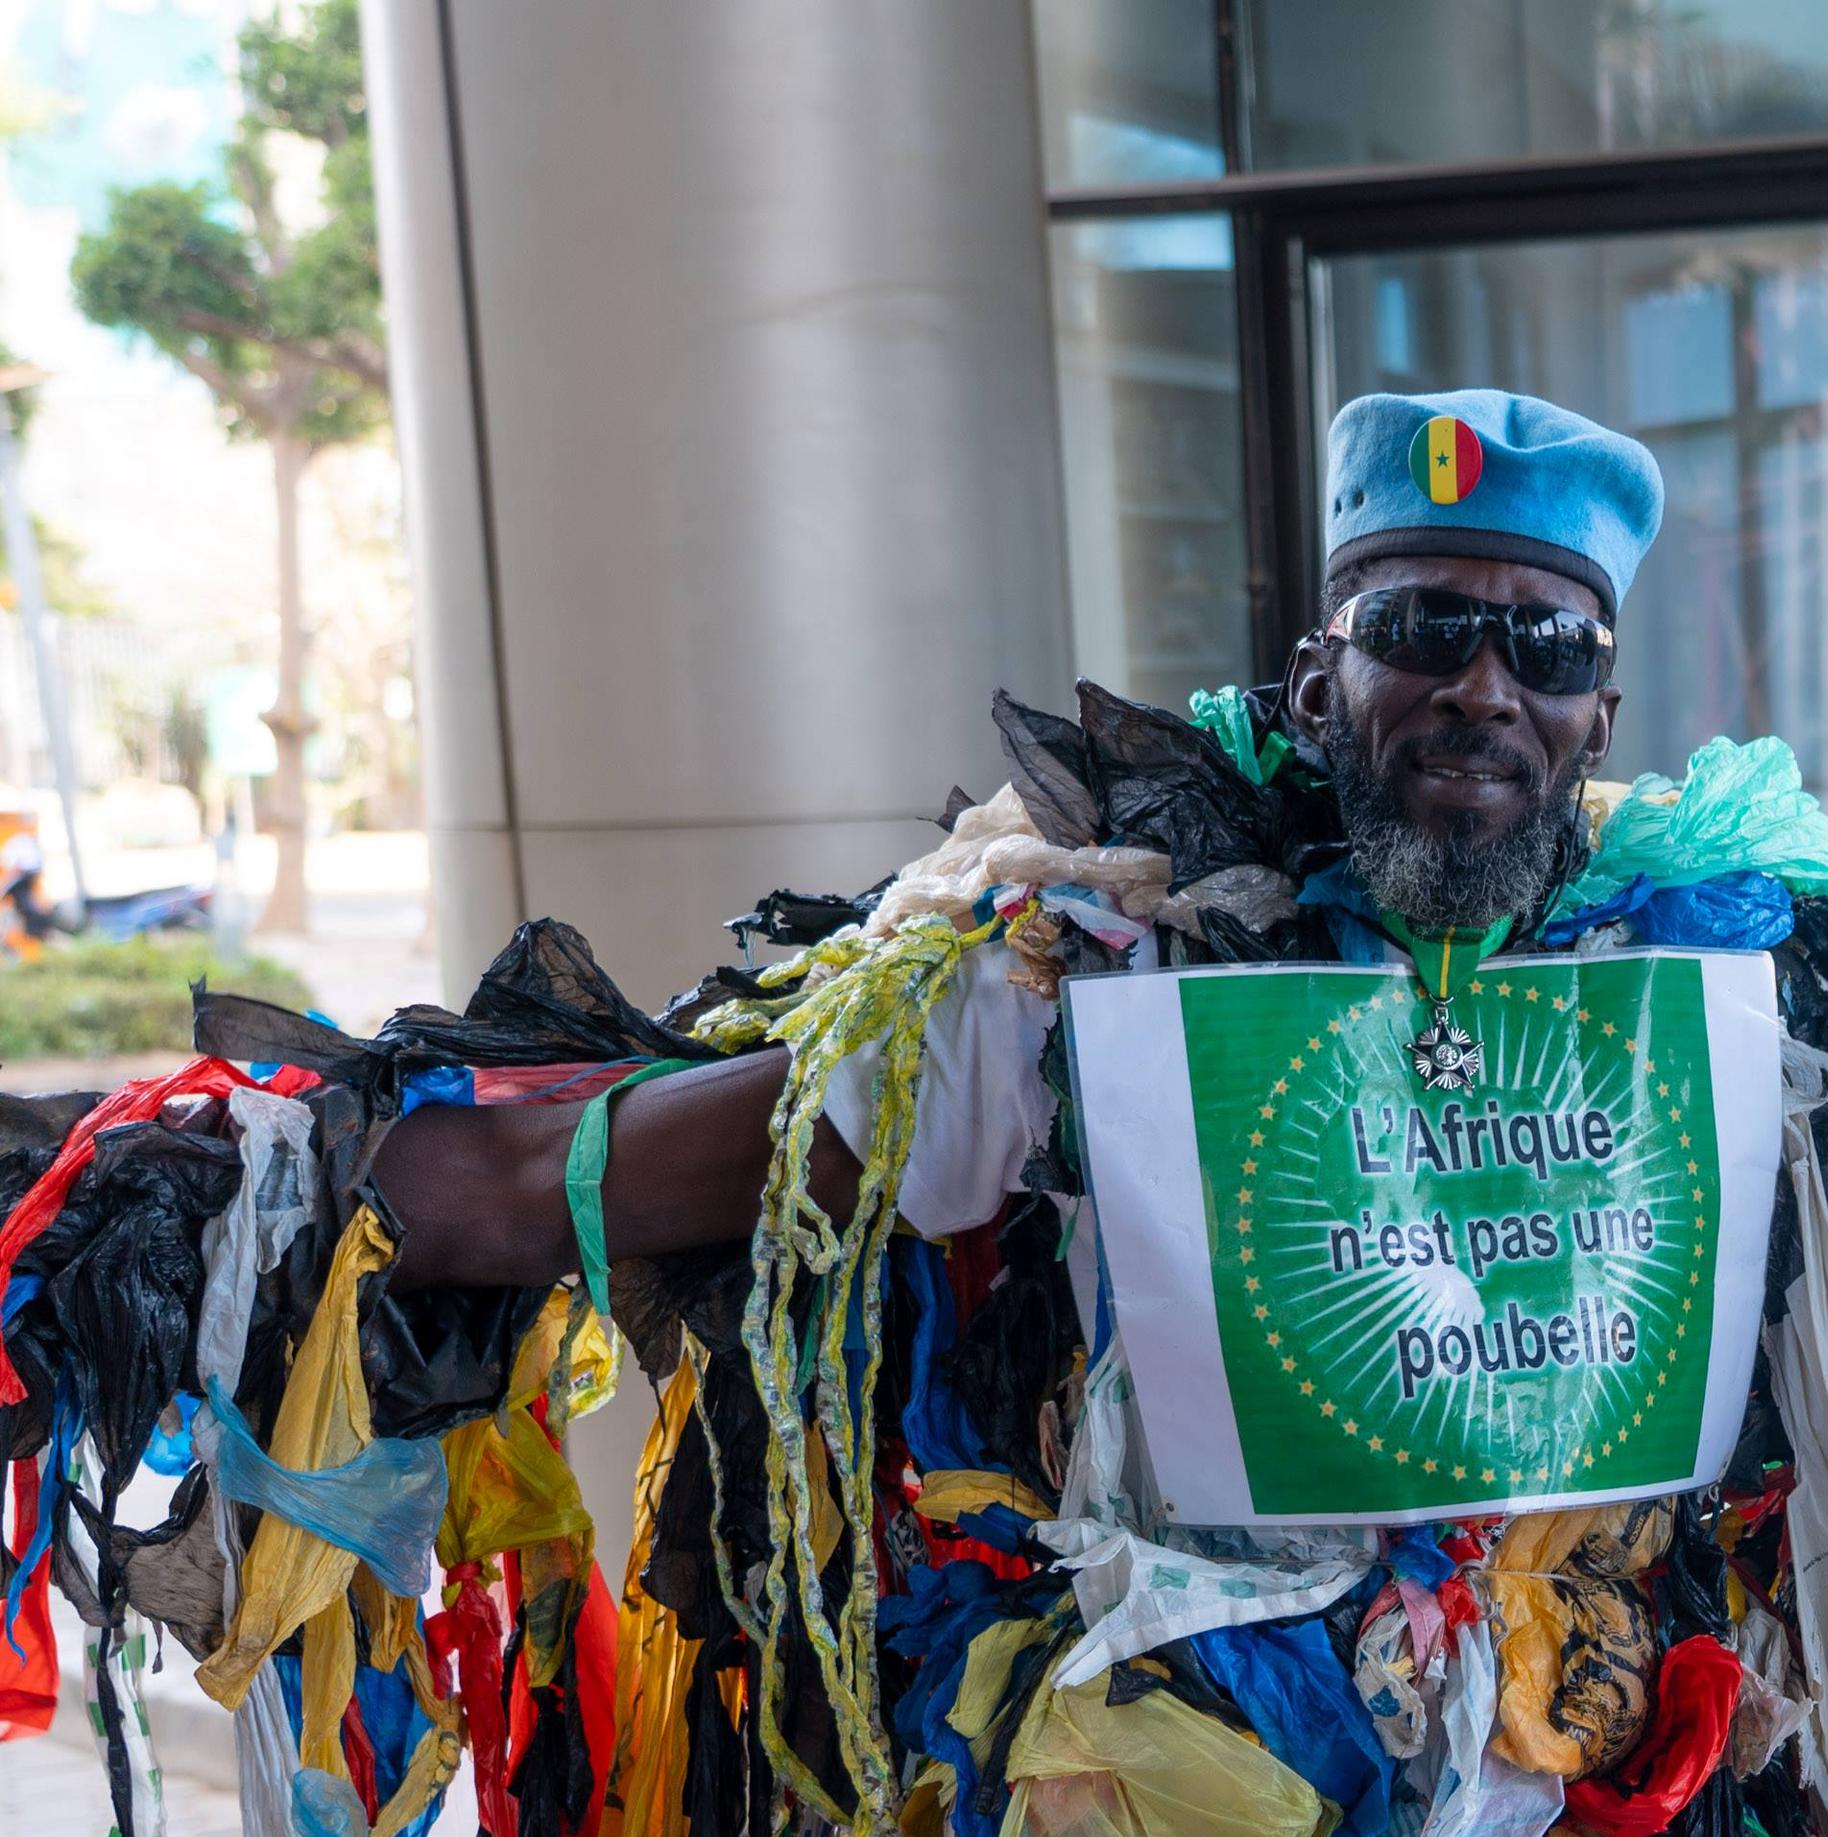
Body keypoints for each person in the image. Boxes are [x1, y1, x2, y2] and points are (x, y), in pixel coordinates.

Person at [381, 387, 1666, 1284]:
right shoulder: (1094, 972)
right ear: (1319, 689)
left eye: (1548, 648)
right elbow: (550, 1190)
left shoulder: (1693, 987)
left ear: (1598, 721)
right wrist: (262, 1190)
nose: (1486, 689)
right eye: (1422, 628)